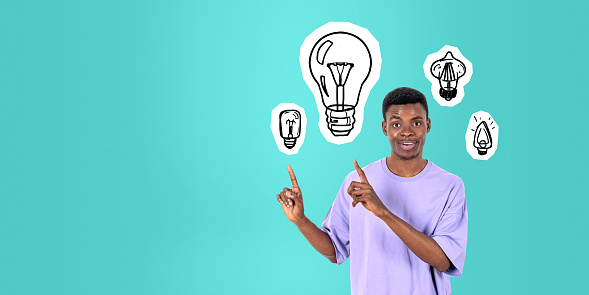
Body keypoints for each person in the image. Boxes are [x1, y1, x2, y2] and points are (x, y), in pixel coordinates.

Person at [276, 87, 468, 295]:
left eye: (416, 122)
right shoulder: (356, 183)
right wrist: (301, 220)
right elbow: (334, 251)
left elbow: (443, 261)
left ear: (428, 125)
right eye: (396, 124)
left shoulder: (450, 186)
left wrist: (382, 212)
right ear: (385, 128)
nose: (407, 132)